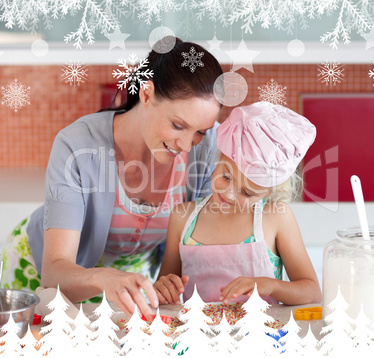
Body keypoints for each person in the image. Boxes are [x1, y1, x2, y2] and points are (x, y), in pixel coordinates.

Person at [1, 37, 223, 319]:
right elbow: (55, 270)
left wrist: (170, 280)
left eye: (200, 131)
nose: (186, 144)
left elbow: (192, 244)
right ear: (146, 95)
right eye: (178, 125)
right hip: (43, 273)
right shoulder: (77, 146)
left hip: (130, 280)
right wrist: (104, 278)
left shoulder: (206, 147)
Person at [154, 102, 322, 305]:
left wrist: (271, 286)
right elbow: (164, 290)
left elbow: (312, 292)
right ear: (218, 158)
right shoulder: (182, 218)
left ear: (270, 191)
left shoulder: (276, 217)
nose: (229, 194)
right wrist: (163, 289)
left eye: (247, 192)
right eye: (225, 176)